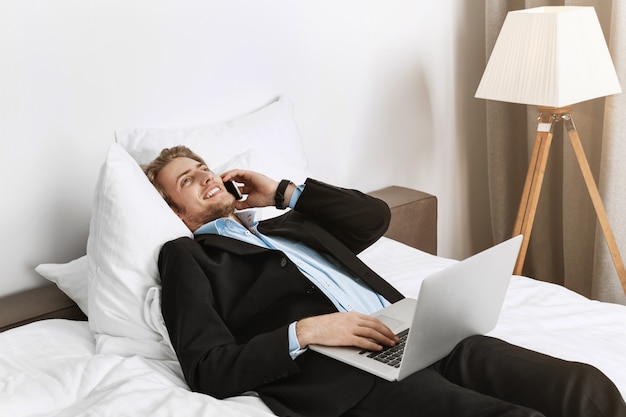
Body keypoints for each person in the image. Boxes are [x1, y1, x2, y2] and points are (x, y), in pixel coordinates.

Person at [144, 145, 626, 417]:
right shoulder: (187, 257)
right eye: (186, 180)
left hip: (425, 332)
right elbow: (207, 367)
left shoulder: (285, 223)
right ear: (174, 211)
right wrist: (309, 331)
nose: (204, 176)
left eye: (203, 167)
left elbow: (372, 218)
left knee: (583, 387)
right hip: (351, 372)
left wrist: (285, 192)